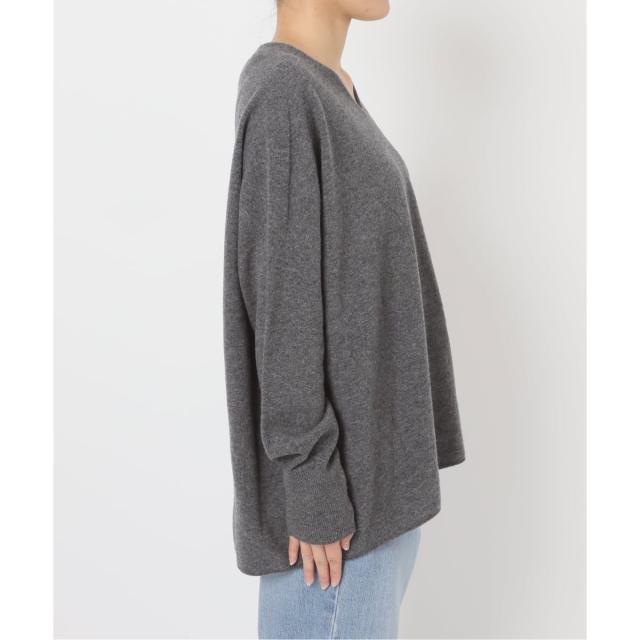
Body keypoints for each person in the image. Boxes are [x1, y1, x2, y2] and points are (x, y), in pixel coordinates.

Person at [223, 0, 465, 637]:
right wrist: (312, 485)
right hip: (334, 527)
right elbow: (281, 304)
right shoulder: (284, 90)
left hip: (370, 508)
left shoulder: (329, 87)